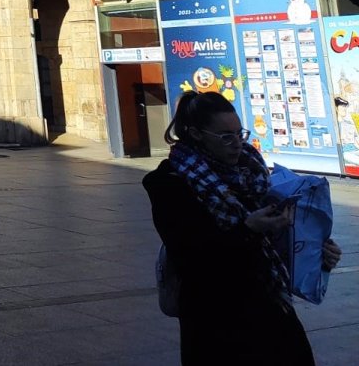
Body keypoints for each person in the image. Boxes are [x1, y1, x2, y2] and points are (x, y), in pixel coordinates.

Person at [143, 91, 342, 365]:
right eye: (225, 136)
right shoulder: (170, 184)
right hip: (218, 323)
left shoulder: (253, 174)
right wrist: (249, 229)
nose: (237, 143)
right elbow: (193, 257)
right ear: (196, 134)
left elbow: (276, 246)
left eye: (239, 133)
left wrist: (318, 253)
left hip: (272, 311)